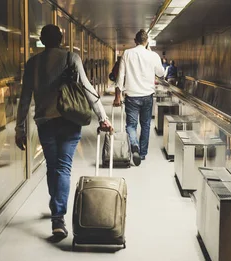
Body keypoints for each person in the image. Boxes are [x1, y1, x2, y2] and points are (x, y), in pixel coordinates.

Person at [15, 24, 112, 238]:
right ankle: (58, 218)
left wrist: (19, 128)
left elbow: (24, 99)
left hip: (45, 121)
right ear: (61, 39)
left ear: (42, 39)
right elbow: (88, 88)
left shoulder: (33, 63)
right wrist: (103, 118)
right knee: (64, 167)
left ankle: (56, 210)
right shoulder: (71, 58)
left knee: (53, 166)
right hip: (69, 119)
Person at [114, 29, 166, 166]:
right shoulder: (153, 55)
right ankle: (142, 153)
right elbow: (160, 74)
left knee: (131, 126)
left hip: (131, 96)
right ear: (147, 41)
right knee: (146, 125)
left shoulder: (127, 53)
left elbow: (121, 76)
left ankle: (134, 145)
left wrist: (117, 96)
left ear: (135, 41)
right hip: (147, 96)